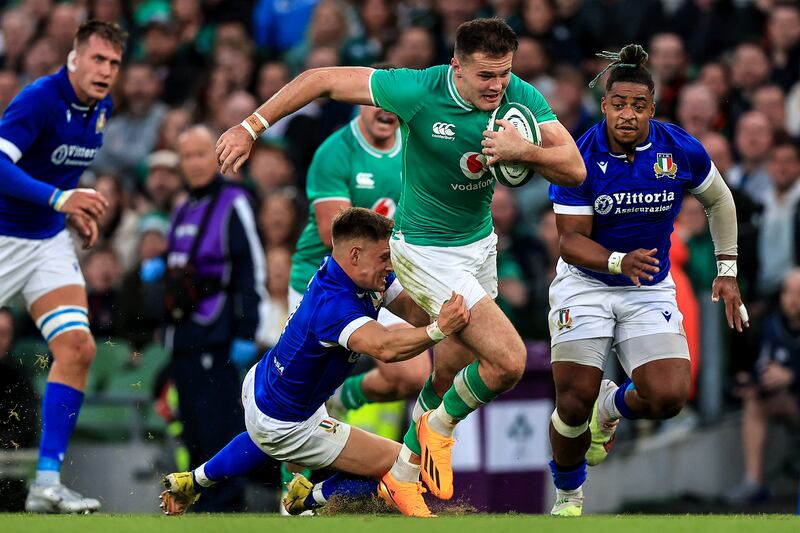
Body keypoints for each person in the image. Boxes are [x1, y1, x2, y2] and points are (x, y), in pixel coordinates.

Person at [215, 17, 585, 502]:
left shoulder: (519, 96)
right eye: (485, 76)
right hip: (425, 251)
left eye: (503, 74)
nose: (497, 86)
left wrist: (526, 150)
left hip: (479, 245)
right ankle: (430, 440)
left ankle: (393, 474)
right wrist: (252, 125)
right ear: (456, 67)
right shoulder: (416, 90)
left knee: (449, 372)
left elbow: (574, 167)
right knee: (509, 362)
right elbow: (321, 79)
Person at [159, 207, 470, 517]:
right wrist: (439, 329)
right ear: (356, 254)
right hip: (288, 424)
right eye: (384, 258)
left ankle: (193, 481)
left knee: (261, 438)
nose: (389, 267)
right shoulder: (334, 305)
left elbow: (414, 313)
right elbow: (386, 348)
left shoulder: (351, 272)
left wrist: (437, 296)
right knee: (402, 464)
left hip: (263, 386)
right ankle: (308, 497)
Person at [546, 44, 747, 517]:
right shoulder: (578, 156)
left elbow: (720, 201)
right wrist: (617, 261)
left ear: (652, 110)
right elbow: (569, 241)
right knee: (573, 401)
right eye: (619, 104)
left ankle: (611, 408)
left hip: (647, 285)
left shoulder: (678, 149)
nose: (628, 114)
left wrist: (727, 269)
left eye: (639, 106)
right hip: (586, 282)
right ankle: (569, 494)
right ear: (606, 106)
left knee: (669, 395)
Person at [0, 20, 126, 514]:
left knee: (77, 346)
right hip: (4, 235)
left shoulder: (102, 108)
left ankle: (46, 482)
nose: (106, 71)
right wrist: (60, 198)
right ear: (73, 58)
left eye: (113, 63)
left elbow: (59, 169)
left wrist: (69, 211)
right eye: (97, 59)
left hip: (47, 242)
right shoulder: (39, 98)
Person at [291, 79, 430, 423]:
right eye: (377, 102)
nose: (385, 110)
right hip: (325, 280)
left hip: (383, 275)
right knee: (302, 398)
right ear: (359, 103)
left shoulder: (415, 149)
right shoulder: (335, 152)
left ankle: (345, 398)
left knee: (412, 376)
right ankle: (290, 472)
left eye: (392, 102)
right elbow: (333, 233)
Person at [151, 125, 267, 512]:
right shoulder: (182, 207)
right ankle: (200, 506)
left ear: (216, 157)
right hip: (183, 336)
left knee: (219, 425)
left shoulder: (235, 201)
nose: (194, 163)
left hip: (220, 333)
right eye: (187, 156)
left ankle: (228, 505)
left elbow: (252, 267)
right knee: (193, 427)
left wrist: (247, 329)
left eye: (201, 154)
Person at [726, 268, 800, 504]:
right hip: (788, 402)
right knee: (755, 403)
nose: (792, 299)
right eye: (787, 292)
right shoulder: (769, 324)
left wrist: (792, 376)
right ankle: (753, 482)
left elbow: (789, 373)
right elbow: (755, 365)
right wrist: (751, 382)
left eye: (798, 293)